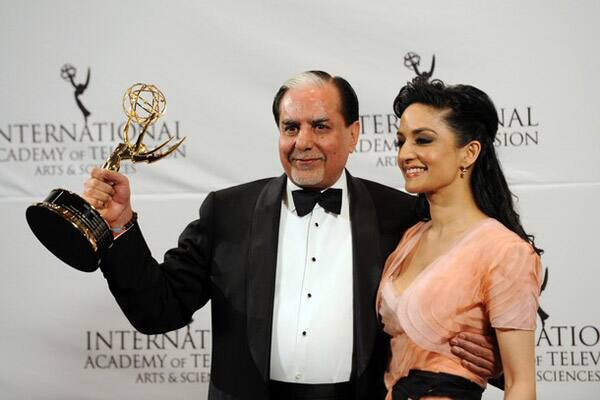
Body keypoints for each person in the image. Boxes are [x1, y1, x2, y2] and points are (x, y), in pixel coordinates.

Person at [83, 71, 497, 400]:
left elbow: (478, 292)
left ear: (353, 134)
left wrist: (495, 357)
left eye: (320, 126)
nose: (303, 142)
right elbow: (160, 310)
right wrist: (119, 226)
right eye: (290, 127)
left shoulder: (403, 214)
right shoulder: (227, 211)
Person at [376, 77, 543, 400]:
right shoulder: (410, 237)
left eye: (423, 140)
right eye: (401, 141)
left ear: (469, 153)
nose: (405, 154)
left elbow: (520, 385)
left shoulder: (504, 251)